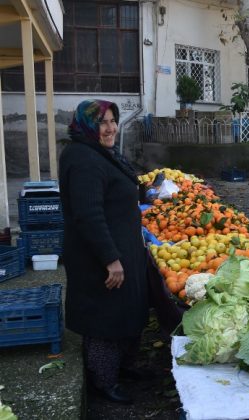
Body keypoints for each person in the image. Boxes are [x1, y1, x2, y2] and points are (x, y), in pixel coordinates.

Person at [59, 100, 149, 404]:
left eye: (113, 121)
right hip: (99, 256)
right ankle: (102, 380)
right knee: (104, 319)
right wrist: (111, 259)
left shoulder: (101, 153)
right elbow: (88, 214)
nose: (110, 128)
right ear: (86, 125)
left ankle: (121, 368)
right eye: (102, 123)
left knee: (126, 309)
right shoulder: (84, 159)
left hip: (122, 247)